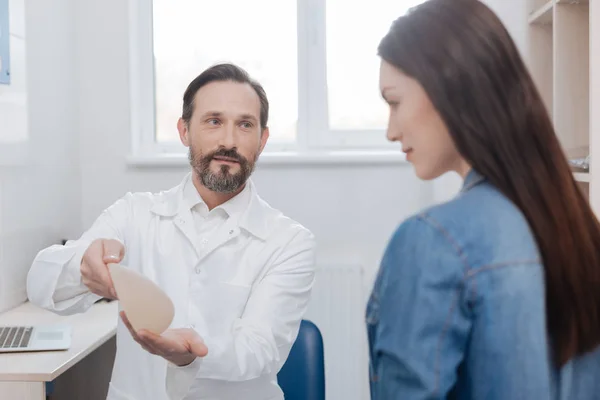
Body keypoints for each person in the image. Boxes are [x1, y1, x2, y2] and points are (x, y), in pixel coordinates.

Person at [26, 63, 316, 400]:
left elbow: (260, 349)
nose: (228, 140)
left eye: (245, 125)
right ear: (184, 131)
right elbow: (40, 284)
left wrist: (191, 352)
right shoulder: (134, 214)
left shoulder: (290, 241)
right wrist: (82, 267)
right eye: (213, 121)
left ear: (262, 140)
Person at [366, 0, 600, 399]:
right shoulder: (578, 230)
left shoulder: (432, 242)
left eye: (395, 101)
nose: (391, 130)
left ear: (448, 86)